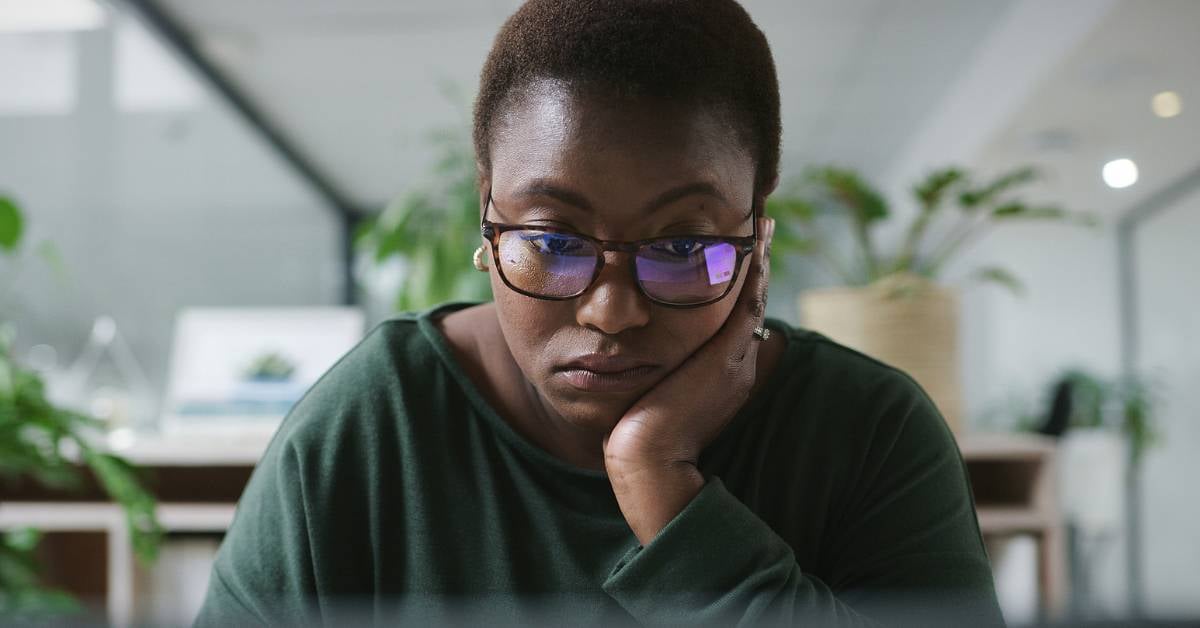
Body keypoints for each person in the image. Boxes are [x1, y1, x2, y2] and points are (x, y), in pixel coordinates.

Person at [195, 1, 1002, 625]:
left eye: (683, 247)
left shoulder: (869, 431)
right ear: (488, 213)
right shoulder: (371, 426)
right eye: (551, 239)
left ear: (756, 236)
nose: (611, 311)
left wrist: (661, 480)